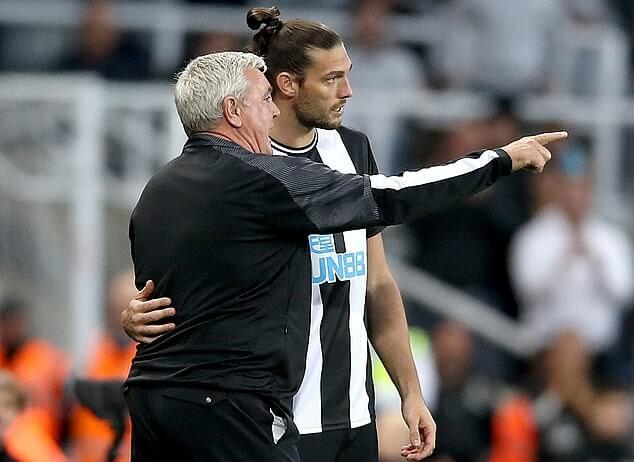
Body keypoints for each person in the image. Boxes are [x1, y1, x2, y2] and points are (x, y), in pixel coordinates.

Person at [123, 8, 564, 462]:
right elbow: (396, 196)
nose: (348, 91)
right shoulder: (254, 174)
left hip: (348, 412)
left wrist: (410, 391)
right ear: (287, 85)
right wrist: (498, 160)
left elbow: (377, 282)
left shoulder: (347, 151)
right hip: (272, 414)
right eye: (332, 78)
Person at [69, 271, 138, 462]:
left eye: (127, 303)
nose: (121, 311)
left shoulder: (150, 353)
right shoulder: (94, 348)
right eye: (117, 304)